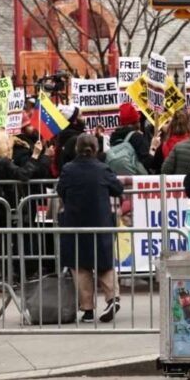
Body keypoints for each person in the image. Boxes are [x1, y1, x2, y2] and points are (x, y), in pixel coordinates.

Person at [57, 134, 124, 323]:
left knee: (80, 266)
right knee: (105, 263)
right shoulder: (102, 169)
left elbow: (61, 190)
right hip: (101, 222)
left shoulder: (68, 169)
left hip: (75, 223)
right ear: (96, 149)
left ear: (76, 149)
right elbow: (118, 188)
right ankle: (112, 298)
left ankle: (87, 310)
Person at [0, 131, 44, 226]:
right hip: (6, 206)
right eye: (6, 143)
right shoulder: (3, 163)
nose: (9, 146)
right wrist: (35, 155)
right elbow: (23, 174)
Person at [109, 103, 152, 174]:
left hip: (119, 177)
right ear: (136, 123)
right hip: (136, 177)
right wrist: (153, 148)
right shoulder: (137, 137)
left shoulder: (113, 138)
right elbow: (148, 162)